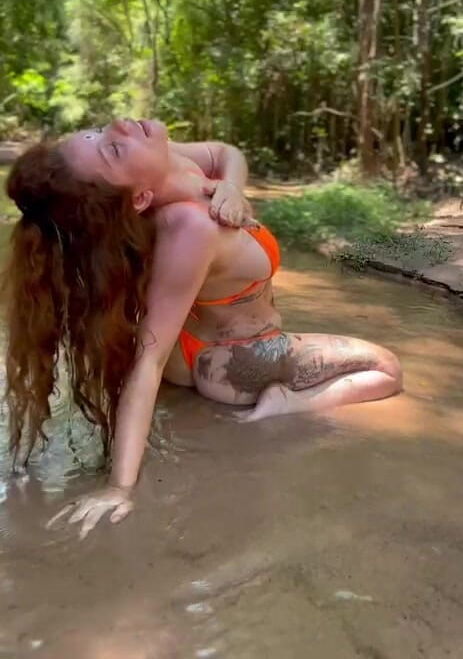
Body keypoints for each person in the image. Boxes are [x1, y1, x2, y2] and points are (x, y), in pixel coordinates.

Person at [5, 118, 402, 537]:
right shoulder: (189, 227)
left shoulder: (164, 162)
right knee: (386, 369)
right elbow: (148, 361)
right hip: (232, 362)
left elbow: (223, 153)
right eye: (112, 149)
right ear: (140, 197)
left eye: (98, 131)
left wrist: (232, 186)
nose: (119, 125)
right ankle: (286, 403)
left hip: (190, 345)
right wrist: (119, 489)